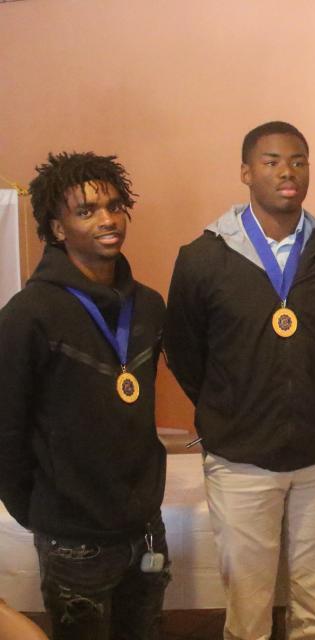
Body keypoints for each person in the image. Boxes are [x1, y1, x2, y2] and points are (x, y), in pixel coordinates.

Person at [164, 121, 315, 640]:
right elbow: (184, 351)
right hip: (241, 459)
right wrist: (228, 408)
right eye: (272, 161)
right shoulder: (202, 258)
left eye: (298, 160)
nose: (287, 172)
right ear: (246, 172)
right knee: (249, 613)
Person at [0, 152, 168, 638]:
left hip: (144, 527)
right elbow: (6, 430)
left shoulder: (149, 306)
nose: (108, 220)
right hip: (73, 539)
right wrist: (42, 514)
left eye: (115, 206)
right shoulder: (27, 315)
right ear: (56, 229)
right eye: (87, 211)